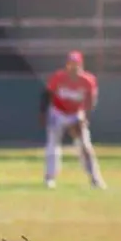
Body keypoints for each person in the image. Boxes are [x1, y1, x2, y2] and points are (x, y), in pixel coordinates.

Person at [40, 51, 107, 189]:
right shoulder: (59, 77)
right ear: (67, 65)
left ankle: (95, 179)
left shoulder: (87, 80)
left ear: (81, 65)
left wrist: (85, 118)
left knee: (85, 146)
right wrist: (43, 113)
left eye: (75, 64)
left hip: (76, 113)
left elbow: (91, 100)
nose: (73, 67)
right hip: (58, 112)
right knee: (53, 144)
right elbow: (47, 95)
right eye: (70, 64)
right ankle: (50, 178)